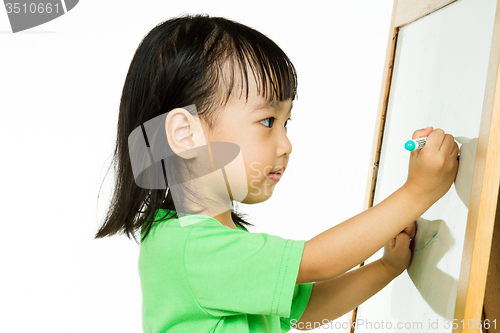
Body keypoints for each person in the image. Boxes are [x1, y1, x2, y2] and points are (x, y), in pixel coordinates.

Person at [95, 14, 459, 332]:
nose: (285, 144)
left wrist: (387, 267)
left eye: (286, 122)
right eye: (267, 121)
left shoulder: (205, 240)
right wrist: (418, 191)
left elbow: (304, 311)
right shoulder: (190, 248)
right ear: (184, 134)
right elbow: (318, 261)